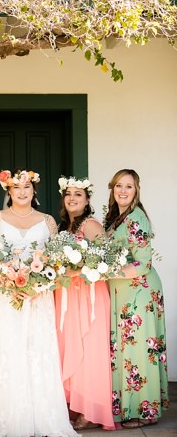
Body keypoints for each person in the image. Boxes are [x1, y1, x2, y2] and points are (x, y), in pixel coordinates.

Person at [0, 169, 78, 437]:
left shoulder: (47, 220)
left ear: (34, 190)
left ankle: (43, 419)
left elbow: (57, 262)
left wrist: (37, 285)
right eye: (16, 187)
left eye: (27, 187)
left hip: (38, 297)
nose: (22, 192)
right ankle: (9, 422)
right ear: (8, 191)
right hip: (5, 296)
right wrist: (8, 279)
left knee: (38, 352)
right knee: (8, 352)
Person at [103, 169, 167, 428]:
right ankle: (127, 408)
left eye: (128, 186)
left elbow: (142, 263)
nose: (123, 191)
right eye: (119, 185)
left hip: (139, 292)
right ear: (113, 188)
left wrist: (105, 271)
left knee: (139, 351)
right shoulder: (117, 217)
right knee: (126, 351)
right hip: (124, 291)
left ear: (136, 190)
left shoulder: (136, 217)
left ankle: (145, 412)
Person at [51, 176, 114, 431]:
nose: (72, 198)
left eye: (78, 194)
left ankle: (90, 409)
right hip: (68, 295)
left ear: (87, 200)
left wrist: (77, 272)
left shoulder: (90, 225)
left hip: (88, 295)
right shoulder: (63, 228)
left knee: (89, 350)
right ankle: (74, 404)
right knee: (69, 347)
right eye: (68, 194)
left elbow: (108, 260)